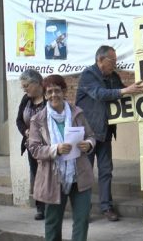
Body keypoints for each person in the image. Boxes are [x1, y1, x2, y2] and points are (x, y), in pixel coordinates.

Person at [75, 45, 143, 221]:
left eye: (115, 61)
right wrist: (124, 91)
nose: (115, 64)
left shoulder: (113, 76)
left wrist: (137, 90)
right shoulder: (88, 75)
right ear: (100, 60)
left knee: (106, 171)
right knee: (86, 172)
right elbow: (100, 94)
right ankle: (82, 210)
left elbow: (123, 92)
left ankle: (106, 207)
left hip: (105, 131)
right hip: (87, 133)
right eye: (112, 61)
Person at [28, 74, 95, 241]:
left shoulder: (77, 113)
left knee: (82, 220)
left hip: (78, 175)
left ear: (64, 91)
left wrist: (88, 144)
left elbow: (91, 135)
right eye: (49, 92)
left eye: (57, 90)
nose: (53, 95)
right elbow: (34, 149)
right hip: (53, 177)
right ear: (44, 95)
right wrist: (55, 149)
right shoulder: (38, 120)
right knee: (53, 222)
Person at [16, 69, 47, 220]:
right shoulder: (26, 100)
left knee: (50, 174)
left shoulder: (49, 98)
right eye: (23, 86)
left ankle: (53, 204)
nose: (24, 89)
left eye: (27, 85)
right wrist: (26, 132)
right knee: (36, 174)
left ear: (36, 83)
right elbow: (19, 121)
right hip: (31, 146)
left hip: (48, 145)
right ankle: (40, 208)